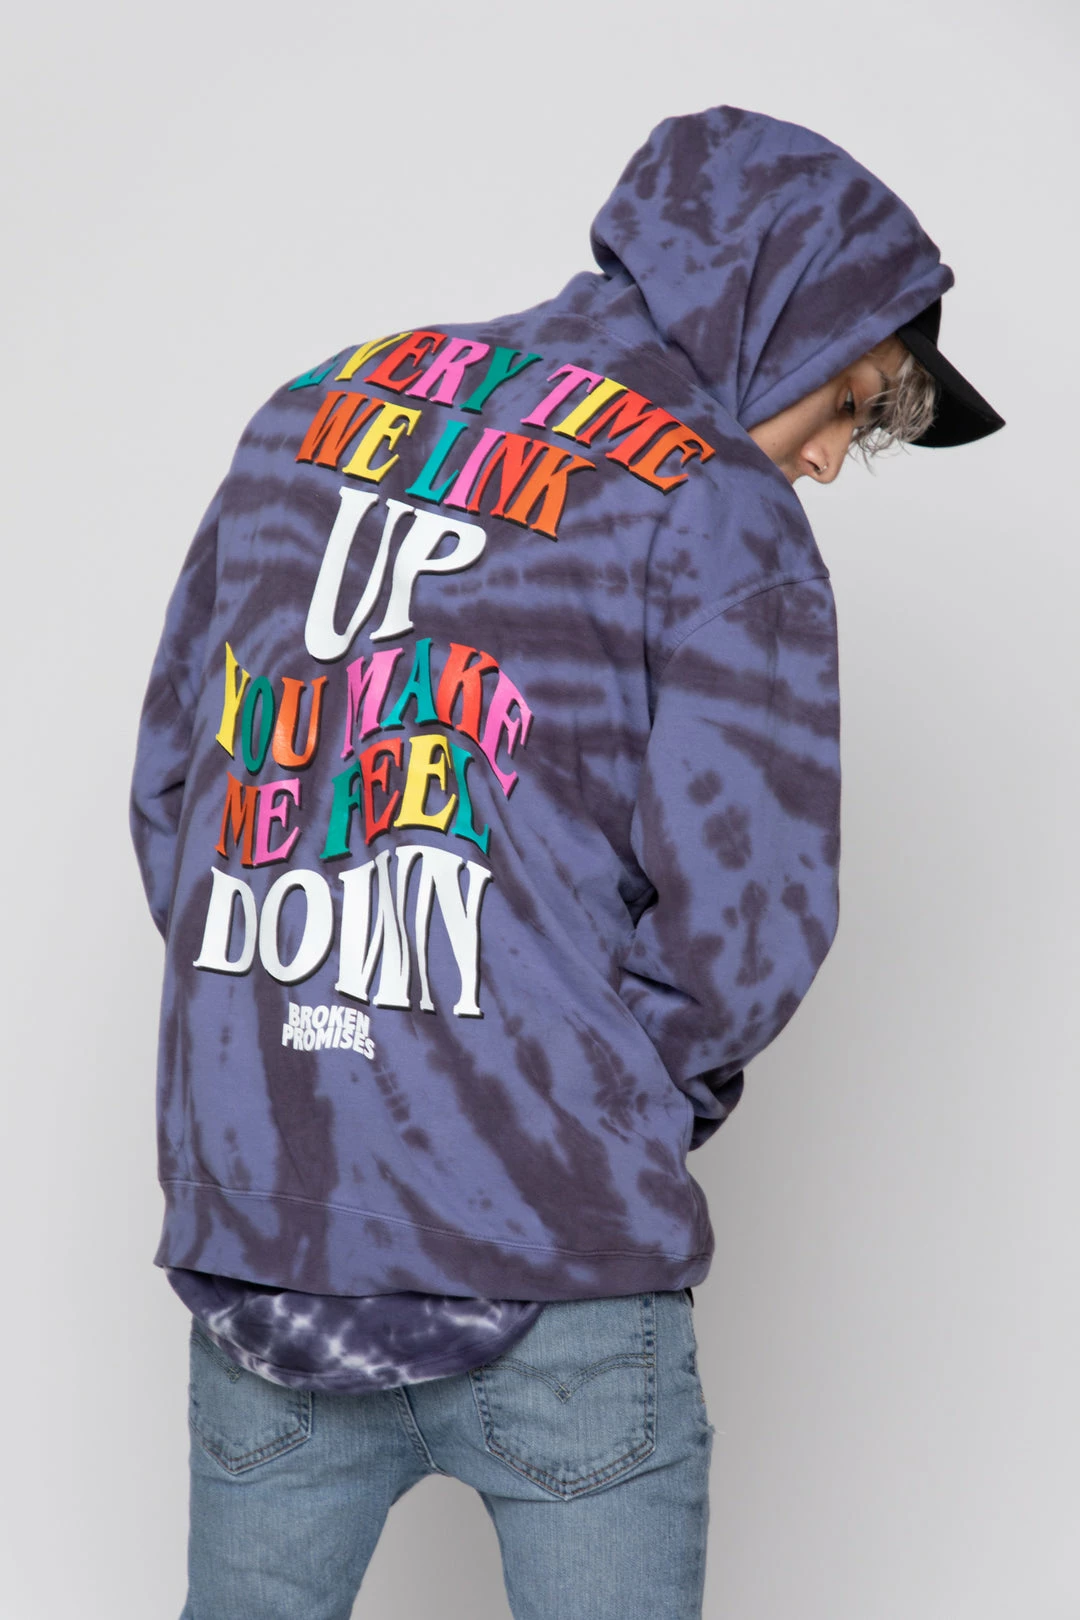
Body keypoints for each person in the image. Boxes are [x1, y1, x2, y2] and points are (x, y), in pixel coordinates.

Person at [129, 104, 1003, 1620]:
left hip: (275, 1229)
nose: (831, 459)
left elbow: (176, 793)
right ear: (779, 314)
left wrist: (278, 1043)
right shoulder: (717, 508)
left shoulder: (311, 411)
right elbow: (751, 923)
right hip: (558, 1270)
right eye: (853, 403)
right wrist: (594, 1099)